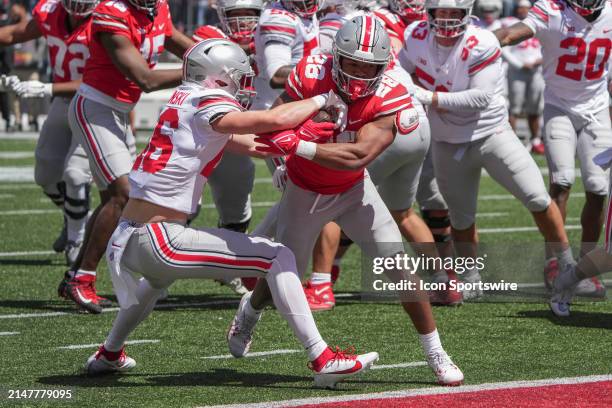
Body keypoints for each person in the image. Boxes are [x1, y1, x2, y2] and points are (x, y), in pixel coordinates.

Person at [86, 39, 379, 389]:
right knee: (278, 256)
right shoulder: (208, 100)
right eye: (239, 78)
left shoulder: (185, 101)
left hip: (131, 236)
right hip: (158, 238)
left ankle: (109, 353)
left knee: (155, 283)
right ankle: (322, 356)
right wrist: (321, 98)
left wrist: (296, 145)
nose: (244, 86)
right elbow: (270, 119)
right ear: (220, 77)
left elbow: (255, 142)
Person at [229, 15, 464, 386]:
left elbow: (359, 155)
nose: (356, 74)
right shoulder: (309, 71)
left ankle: (436, 351)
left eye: (367, 67)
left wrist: (300, 146)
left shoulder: (391, 94)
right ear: (335, 56)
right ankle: (250, 310)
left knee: (400, 267)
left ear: (383, 67)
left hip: (354, 189)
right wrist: (280, 161)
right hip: (304, 191)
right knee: (285, 274)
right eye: (351, 63)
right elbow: (274, 119)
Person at [401, 0, 575, 301]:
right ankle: (471, 279)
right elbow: (399, 70)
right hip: (447, 140)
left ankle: (568, 264)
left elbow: (479, 97)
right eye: (441, 12)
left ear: (466, 14)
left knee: (536, 197)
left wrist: (424, 95)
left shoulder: (481, 41)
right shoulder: (415, 35)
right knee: (461, 217)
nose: (446, 20)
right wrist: (410, 85)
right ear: (429, 13)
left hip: (491, 134)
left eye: (453, 13)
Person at [57, 0, 195, 313]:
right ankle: (83, 279)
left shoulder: (157, 7)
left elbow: (176, 40)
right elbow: (145, 79)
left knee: (117, 199)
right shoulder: (110, 12)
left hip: (119, 113)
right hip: (95, 108)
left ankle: (75, 277)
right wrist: (202, 68)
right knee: (124, 195)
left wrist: (217, 52)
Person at [494, 0, 612, 298]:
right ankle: (556, 260)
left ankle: (586, 265)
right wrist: (480, 42)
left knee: (598, 188)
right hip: (559, 106)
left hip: (597, 108)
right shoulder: (551, 9)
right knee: (561, 181)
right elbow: (512, 34)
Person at [0, 0, 97, 264]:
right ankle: (74, 218)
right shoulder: (51, 13)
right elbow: (15, 33)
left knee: (76, 175)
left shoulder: (106, 21)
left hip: (95, 103)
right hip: (62, 102)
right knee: (45, 173)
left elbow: (99, 79)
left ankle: (78, 244)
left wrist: (45, 89)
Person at [189, 0, 263, 296]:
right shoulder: (207, 35)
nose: (244, 23)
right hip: (204, 131)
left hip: (238, 132)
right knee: (180, 205)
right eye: (236, 15)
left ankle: (231, 267)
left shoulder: (270, 36)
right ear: (222, 14)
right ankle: (152, 276)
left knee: (237, 206)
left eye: (251, 15)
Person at [491, 0, 545, 154]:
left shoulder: (539, 21)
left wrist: (541, 60)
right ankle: (512, 140)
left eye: (526, 8)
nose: (523, 11)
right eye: (520, 8)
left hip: (536, 69)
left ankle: (535, 140)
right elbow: (501, 47)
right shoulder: (507, 22)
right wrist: (520, 64)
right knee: (514, 107)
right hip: (517, 70)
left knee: (535, 107)